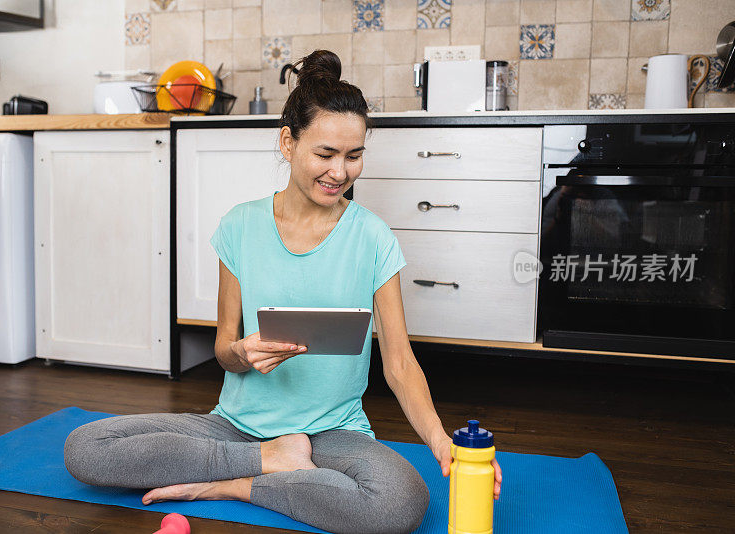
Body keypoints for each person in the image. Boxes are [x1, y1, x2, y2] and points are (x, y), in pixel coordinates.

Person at [63, 49, 501, 534]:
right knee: (85, 449)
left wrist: (443, 443)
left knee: (400, 503)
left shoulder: (373, 237)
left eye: (354, 156)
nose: (340, 172)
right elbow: (223, 350)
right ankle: (264, 458)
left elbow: (399, 363)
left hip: (334, 433)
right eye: (325, 154)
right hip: (237, 426)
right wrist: (242, 353)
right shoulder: (240, 226)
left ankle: (234, 483)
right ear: (288, 143)